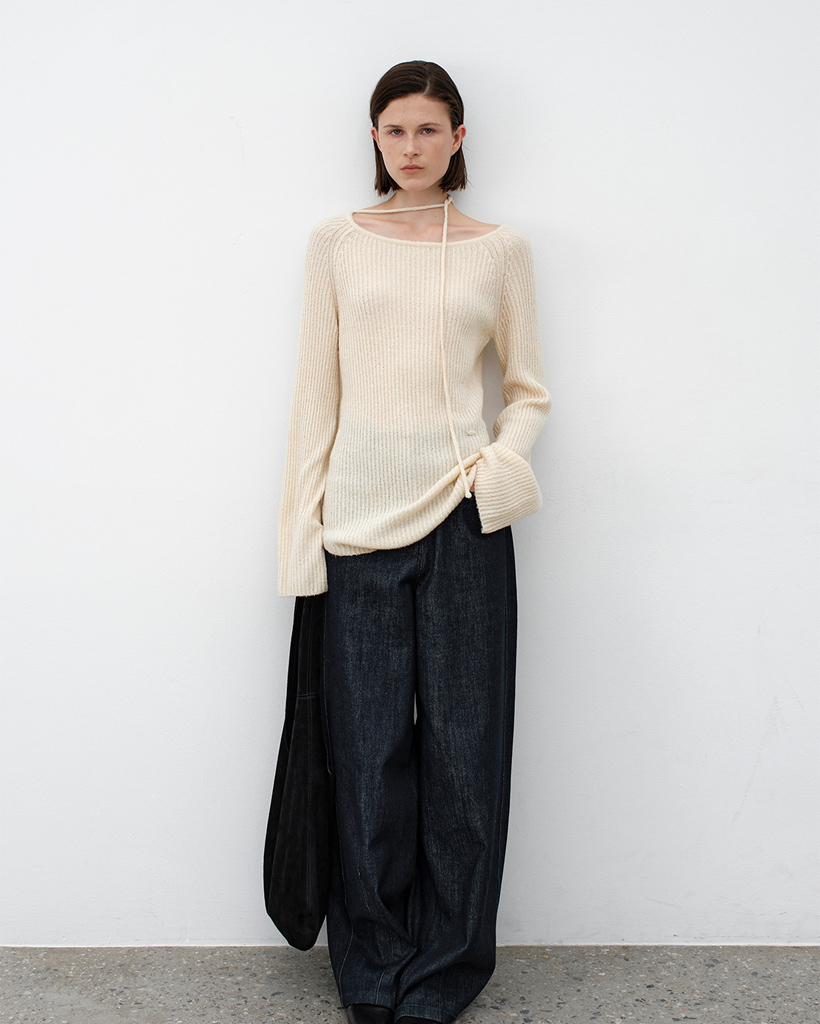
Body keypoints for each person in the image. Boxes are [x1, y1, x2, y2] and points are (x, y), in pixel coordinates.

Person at [278, 60, 551, 1024]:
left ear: (459, 138)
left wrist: (497, 468)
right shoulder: (336, 243)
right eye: (395, 130)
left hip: (466, 526)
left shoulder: (499, 251)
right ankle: (373, 968)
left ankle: (442, 974)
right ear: (375, 138)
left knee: (467, 757)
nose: (411, 146)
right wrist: (300, 544)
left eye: (430, 129)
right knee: (366, 760)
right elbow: (315, 401)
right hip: (356, 531)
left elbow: (529, 391)